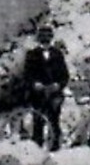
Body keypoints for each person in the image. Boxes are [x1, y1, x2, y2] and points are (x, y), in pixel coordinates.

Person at [22, 24, 70, 152]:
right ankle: (37, 150)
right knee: (38, 122)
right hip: (38, 94)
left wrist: (58, 85)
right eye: (42, 36)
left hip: (54, 94)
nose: (45, 39)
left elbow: (64, 75)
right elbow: (27, 75)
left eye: (48, 36)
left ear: (51, 37)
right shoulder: (31, 54)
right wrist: (34, 84)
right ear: (38, 38)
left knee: (54, 121)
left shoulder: (58, 54)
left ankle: (55, 148)